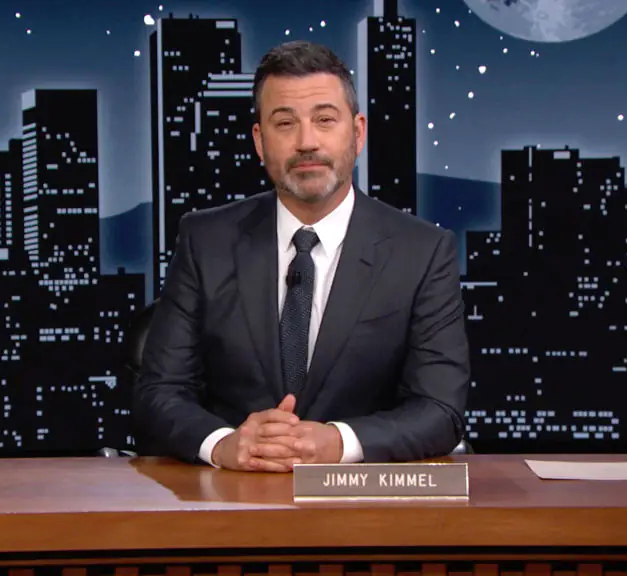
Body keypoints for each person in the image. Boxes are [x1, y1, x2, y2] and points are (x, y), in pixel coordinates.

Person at [132, 40, 470, 472]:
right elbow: (159, 392)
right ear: (259, 141)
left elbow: (440, 409)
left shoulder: (422, 252)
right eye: (285, 123)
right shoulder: (205, 240)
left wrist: (338, 442)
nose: (307, 142)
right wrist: (224, 444)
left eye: (325, 120)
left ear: (358, 133)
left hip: (363, 500)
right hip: (233, 496)